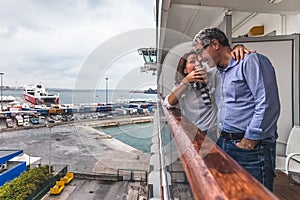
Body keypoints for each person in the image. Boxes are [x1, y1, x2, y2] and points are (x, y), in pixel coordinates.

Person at [193, 27, 280, 191]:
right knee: (231, 191)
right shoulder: (218, 72)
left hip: (251, 148)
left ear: (215, 44)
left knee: (254, 194)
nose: (200, 58)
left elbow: (267, 103)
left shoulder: (250, 61)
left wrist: (249, 141)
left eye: (200, 52)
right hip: (225, 143)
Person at [164, 46, 252, 138]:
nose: (198, 64)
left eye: (200, 61)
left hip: (214, 128)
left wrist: (237, 47)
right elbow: (169, 103)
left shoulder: (211, 75)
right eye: (192, 61)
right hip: (195, 131)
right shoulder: (182, 85)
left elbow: (225, 59)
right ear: (185, 69)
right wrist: (186, 81)